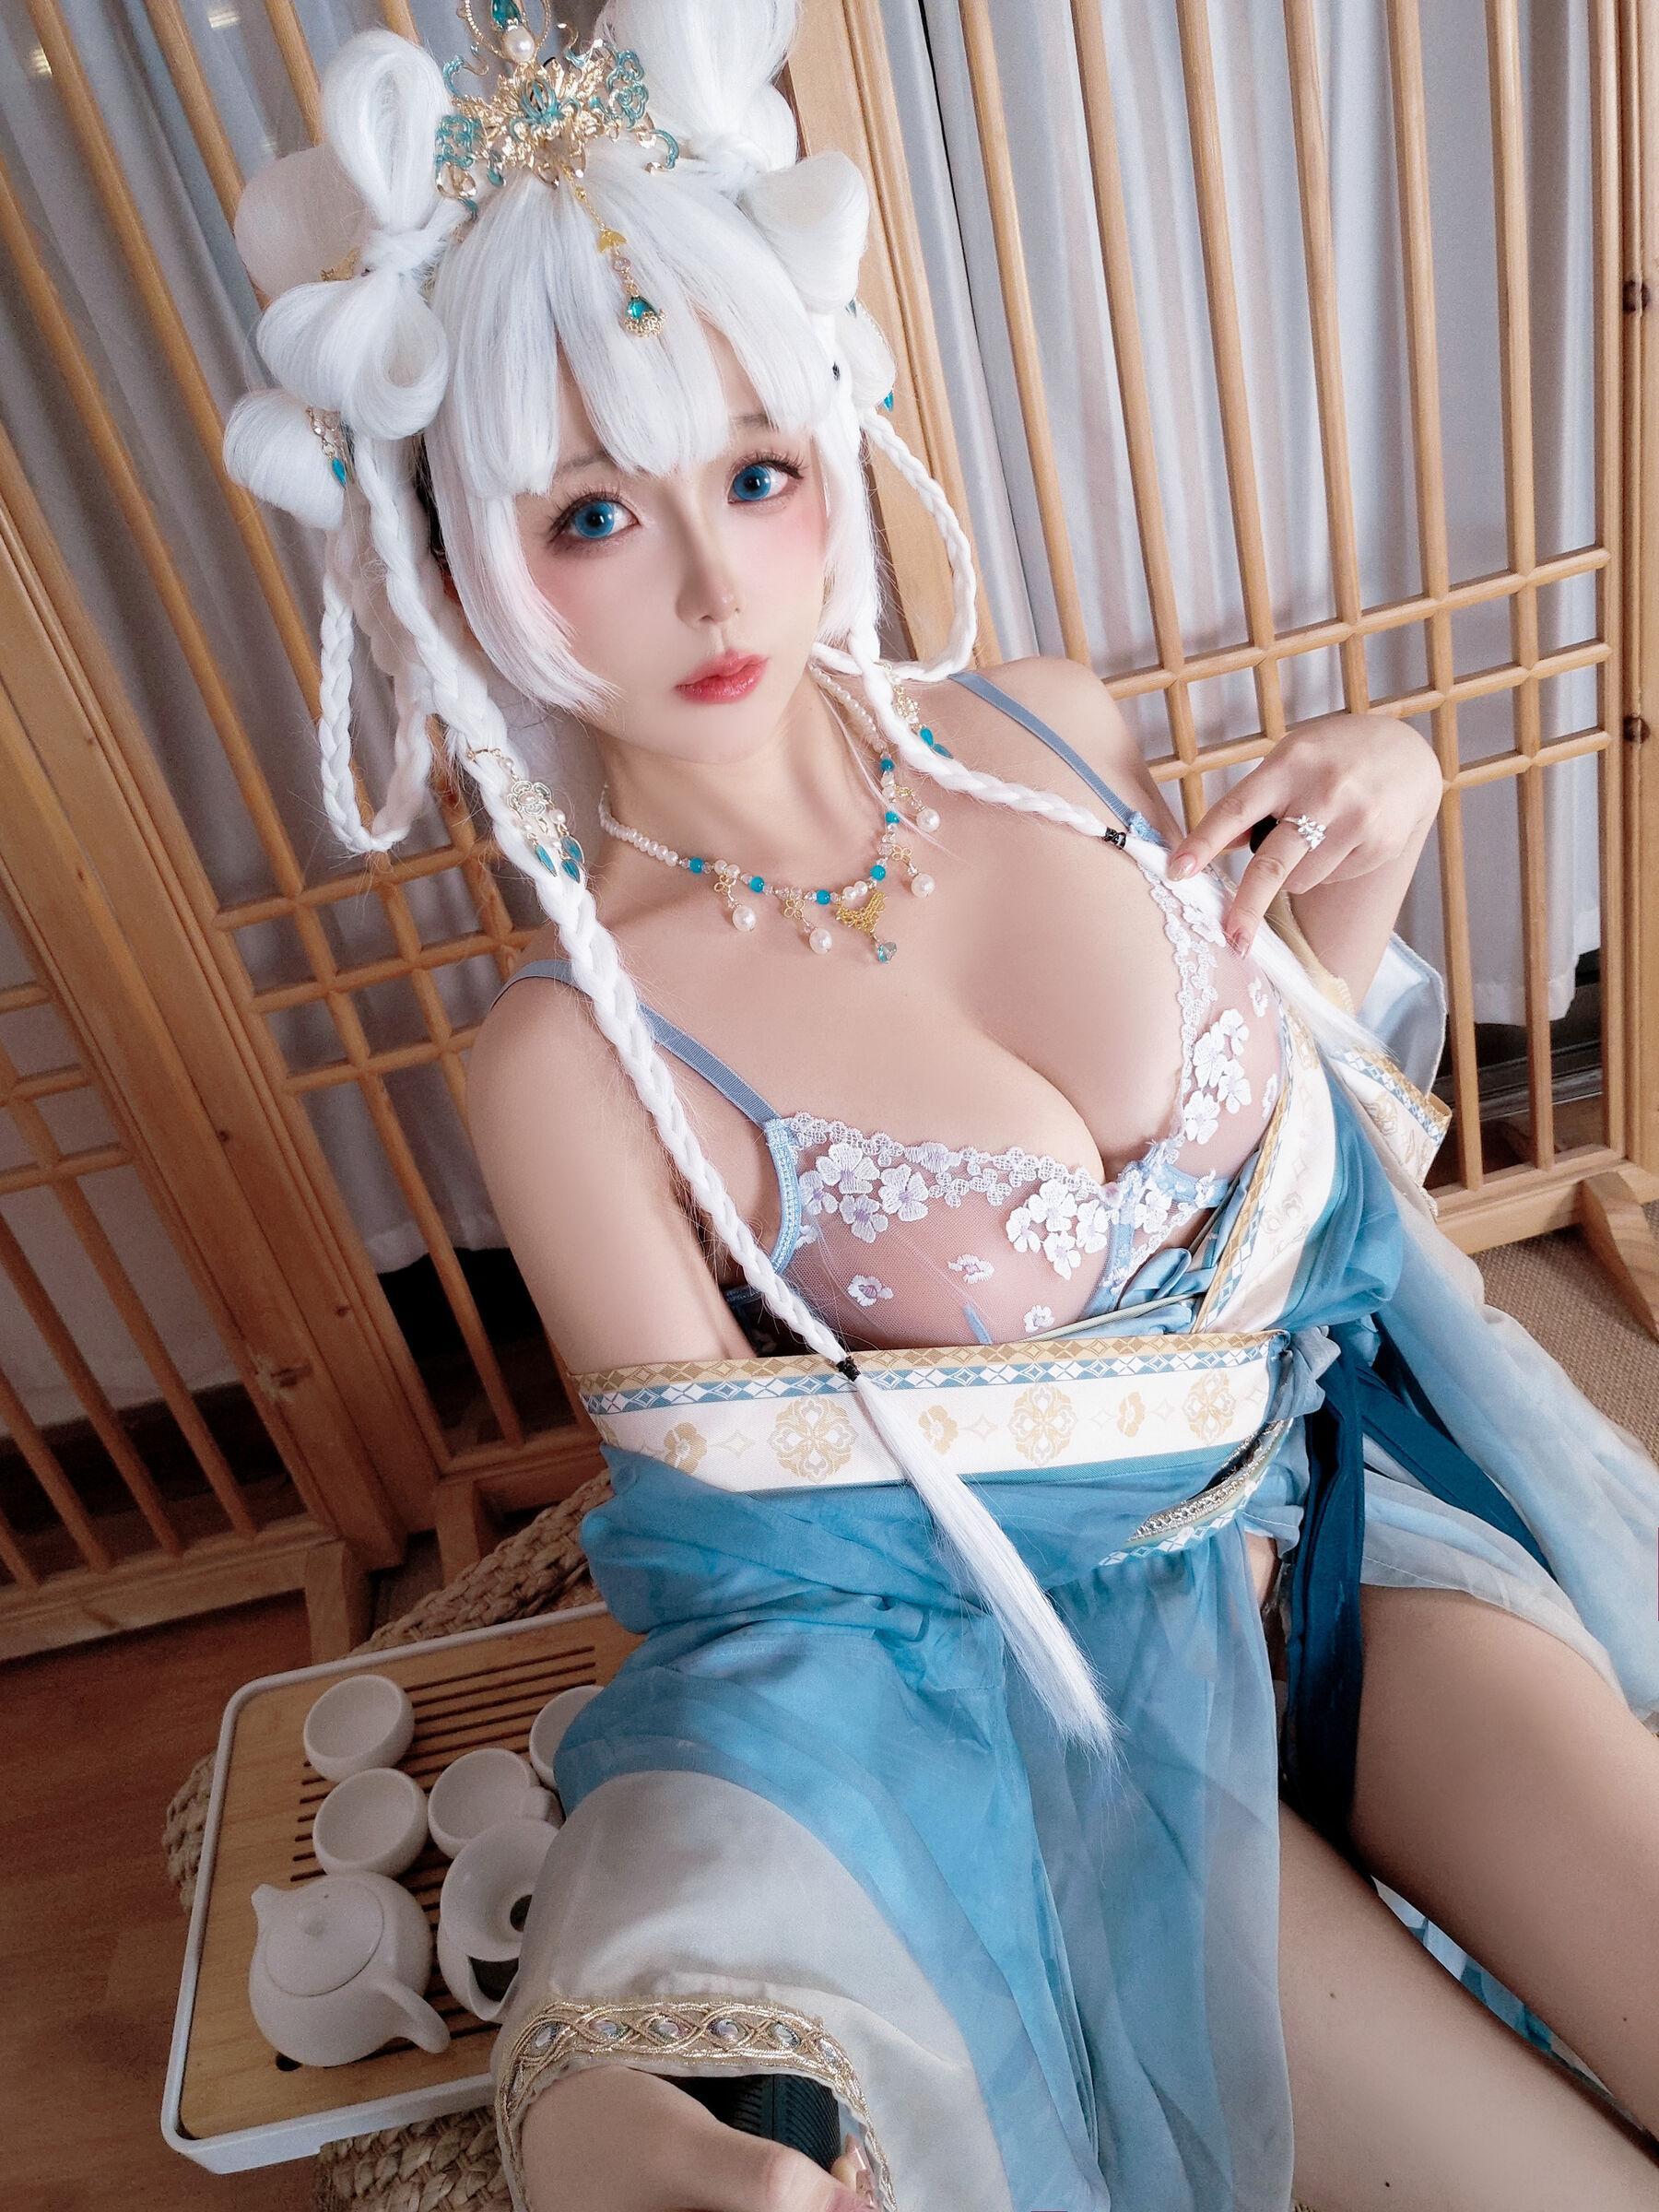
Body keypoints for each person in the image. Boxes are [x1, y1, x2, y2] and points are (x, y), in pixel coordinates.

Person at [223, 6, 1659, 2207]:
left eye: (755, 473)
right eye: (594, 511)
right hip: (1048, 1721)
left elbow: (1313, 1164)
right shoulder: (580, 1060)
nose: (716, 581)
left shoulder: (1049, 731)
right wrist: (608, 2082)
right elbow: (751, 1596)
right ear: (448, 562)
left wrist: (1383, 824)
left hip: (1356, 1516)